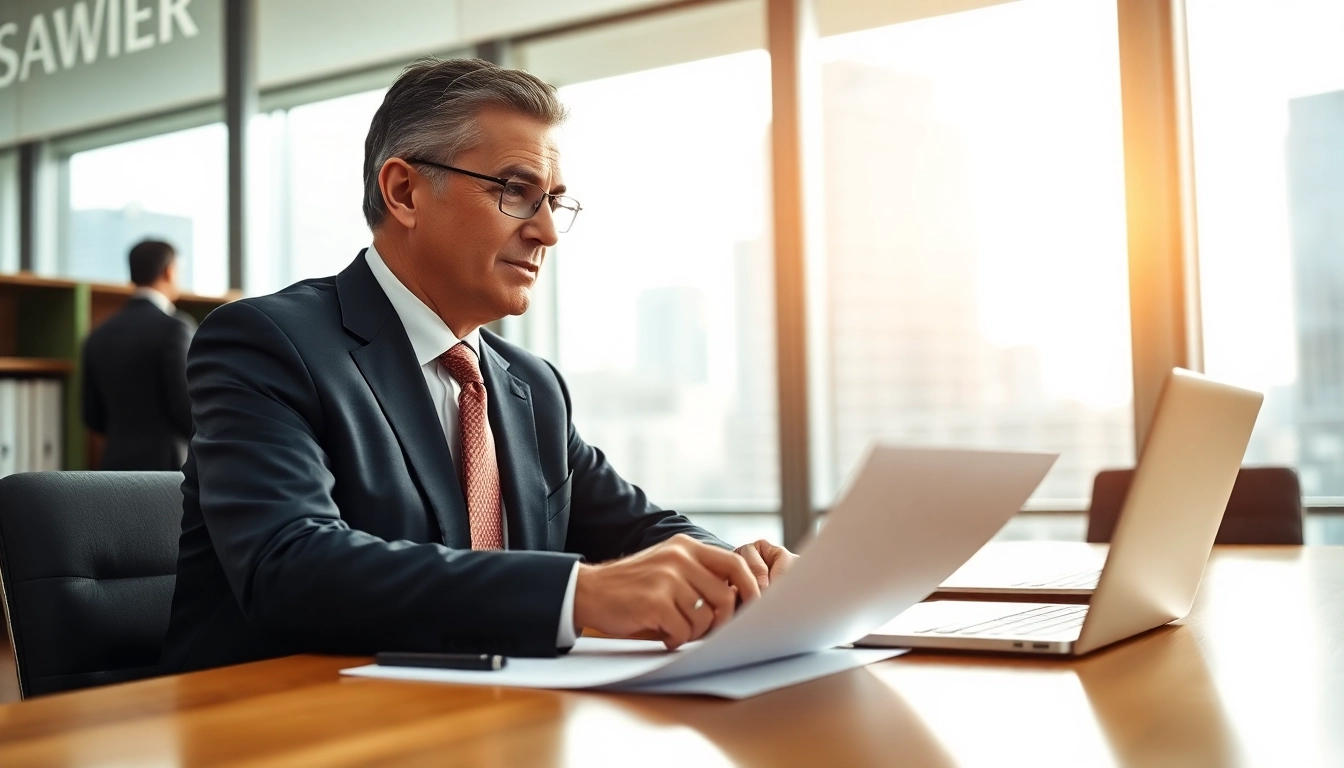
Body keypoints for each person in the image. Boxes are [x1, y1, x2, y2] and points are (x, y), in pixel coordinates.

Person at [160, 58, 798, 673]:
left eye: (554, 200)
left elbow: (641, 529)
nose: (547, 231)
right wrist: (581, 595)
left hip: (482, 717)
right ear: (405, 191)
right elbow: (291, 567)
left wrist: (736, 568)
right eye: (517, 192)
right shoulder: (267, 341)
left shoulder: (532, 387)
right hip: (279, 726)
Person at [82, 239, 195, 471]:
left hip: (113, 469)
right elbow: (185, 409)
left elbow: (92, 416)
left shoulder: (99, 332)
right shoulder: (175, 328)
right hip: (168, 468)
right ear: (169, 271)